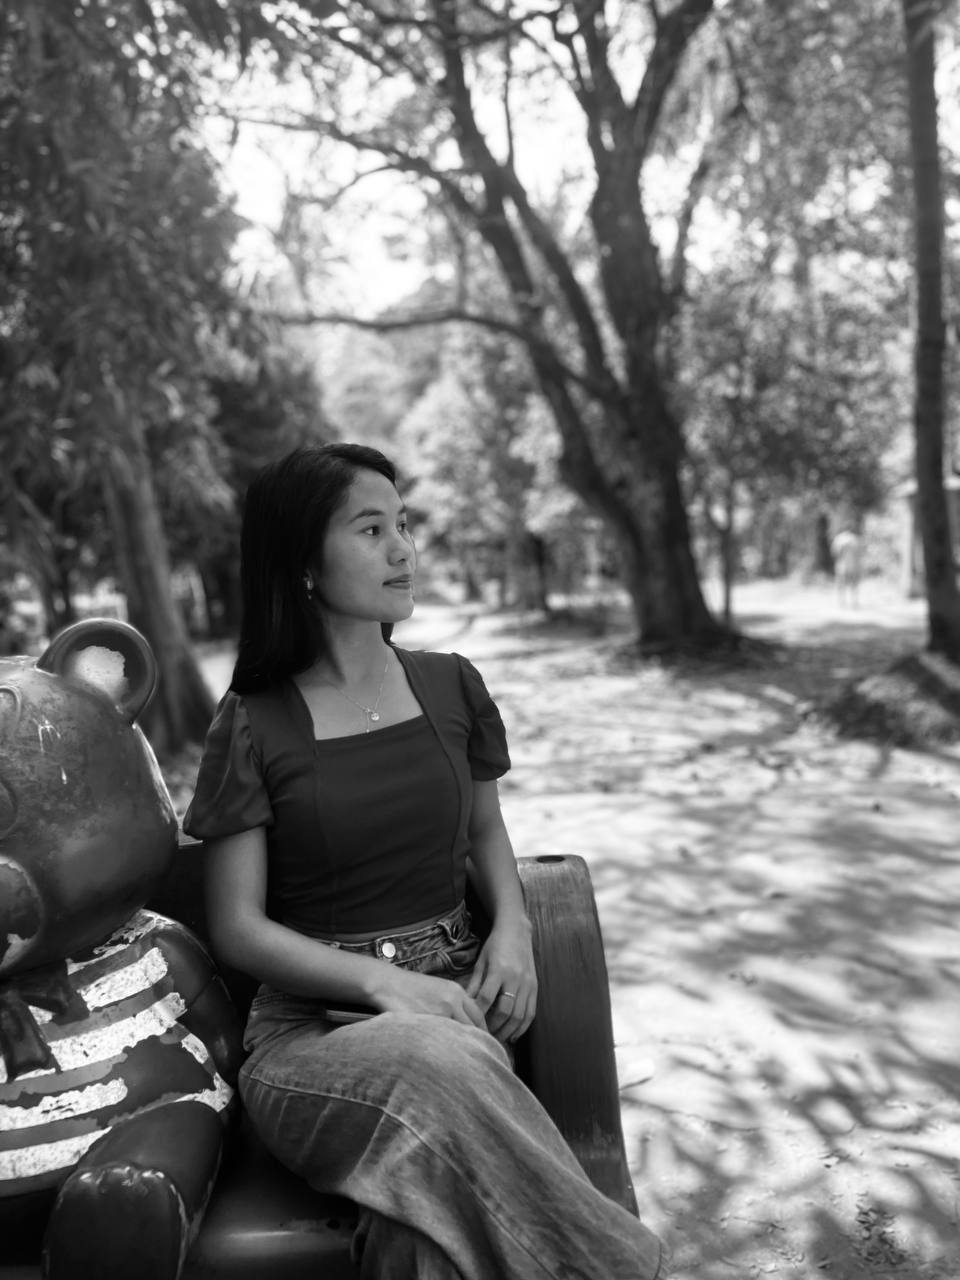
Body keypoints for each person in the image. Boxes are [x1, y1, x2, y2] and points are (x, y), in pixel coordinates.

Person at [184, 443, 665, 1279]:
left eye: (403, 525)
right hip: (314, 1042)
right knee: (438, 1059)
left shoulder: (451, 685)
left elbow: (485, 833)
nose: (403, 549)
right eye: (372, 530)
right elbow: (236, 927)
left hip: (461, 1005)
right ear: (302, 562)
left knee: (419, 1240)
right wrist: (385, 985)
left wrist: (513, 932)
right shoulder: (253, 722)